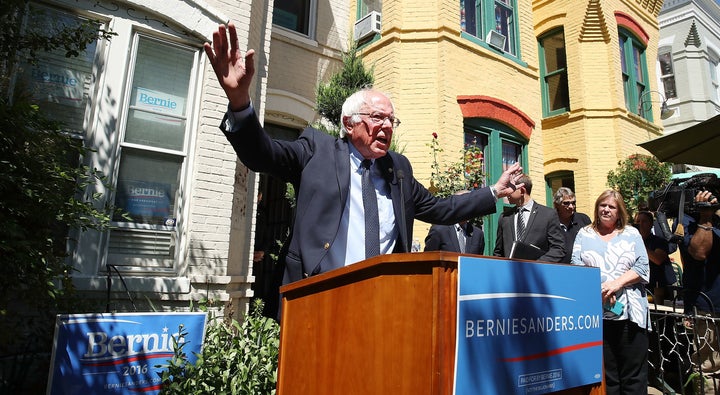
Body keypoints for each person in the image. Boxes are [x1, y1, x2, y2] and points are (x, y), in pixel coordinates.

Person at [203, 22, 524, 286]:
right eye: (376, 118)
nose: (386, 126)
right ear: (348, 122)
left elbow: (442, 208)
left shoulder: (398, 169)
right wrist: (241, 104)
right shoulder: (318, 149)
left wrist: (494, 190)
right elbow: (264, 155)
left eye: (391, 120)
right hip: (318, 294)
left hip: (382, 299)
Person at [571, 190, 649, 395]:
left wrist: (616, 284)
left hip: (631, 314)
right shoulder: (584, 233)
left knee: (633, 376)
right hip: (597, 315)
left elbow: (642, 267)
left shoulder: (631, 233)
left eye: (611, 206)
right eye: (602, 205)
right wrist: (599, 288)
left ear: (619, 211)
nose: (606, 209)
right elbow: (576, 266)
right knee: (608, 377)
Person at [678, 191, 720, 389]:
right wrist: (705, 216)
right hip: (707, 307)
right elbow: (699, 252)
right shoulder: (686, 220)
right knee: (709, 367)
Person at [493, 174, 565, 262]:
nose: (506, 193)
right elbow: (498, 252)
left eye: (510, 189)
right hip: (509, 272)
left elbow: (558, 249)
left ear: (522, 190)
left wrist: (537, 264)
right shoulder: (504, 217)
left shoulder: (548, 215)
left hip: (536, 272)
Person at [634, 211, 675, 305]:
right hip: (644, 285)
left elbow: (658, 259)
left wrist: (640, 245)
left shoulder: (659, 241)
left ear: (651, 224)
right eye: (638, 222)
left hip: (661, 286)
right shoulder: (632, 242)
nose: (640, 224)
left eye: (644, 221)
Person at [553, 187, 591, 263]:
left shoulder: (583, 220)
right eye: (566, 203)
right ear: (556, 205)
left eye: (573, 203)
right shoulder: (550, 222)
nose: (571, 206)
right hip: (559, 267)